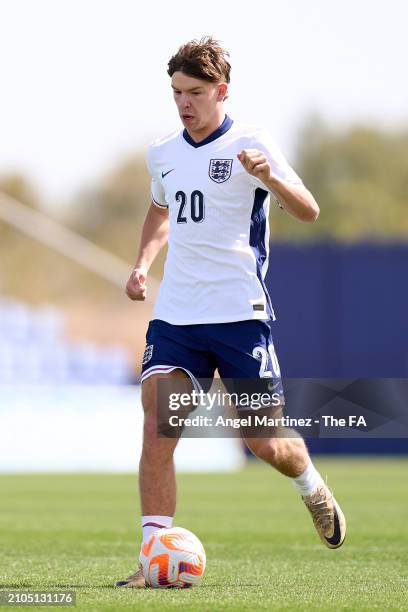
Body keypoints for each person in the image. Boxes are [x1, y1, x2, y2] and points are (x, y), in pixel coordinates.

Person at [115, 37, 346, 588]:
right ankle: (152, 557)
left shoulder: (251, 141)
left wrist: (268, 175)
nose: (183, 103)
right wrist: (144, 263)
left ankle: (312, 486)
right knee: (157, 424)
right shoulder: (163, 152)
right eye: (176, 92)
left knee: (265, 444)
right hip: (176, 316)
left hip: (240, 315)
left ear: (222, 91)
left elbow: (309, 210)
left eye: (194, 92)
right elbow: (160, 210)